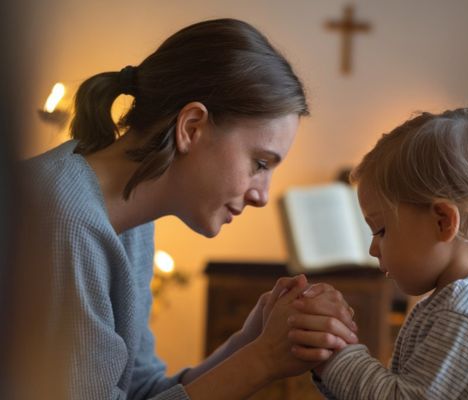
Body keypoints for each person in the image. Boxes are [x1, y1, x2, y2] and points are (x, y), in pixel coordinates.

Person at [22, 18, 357, 400]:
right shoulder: (62, 219)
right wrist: (262, 360)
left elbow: (139, 391)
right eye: (260, 164)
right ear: (192, 127)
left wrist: (250, 341)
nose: (262, 195)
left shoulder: (130, 226)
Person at [291, 108, 468, 399]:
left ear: (443, 222)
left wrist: (334, 356)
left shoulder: (467, 312)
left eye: (381, 230)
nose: (373, 249)